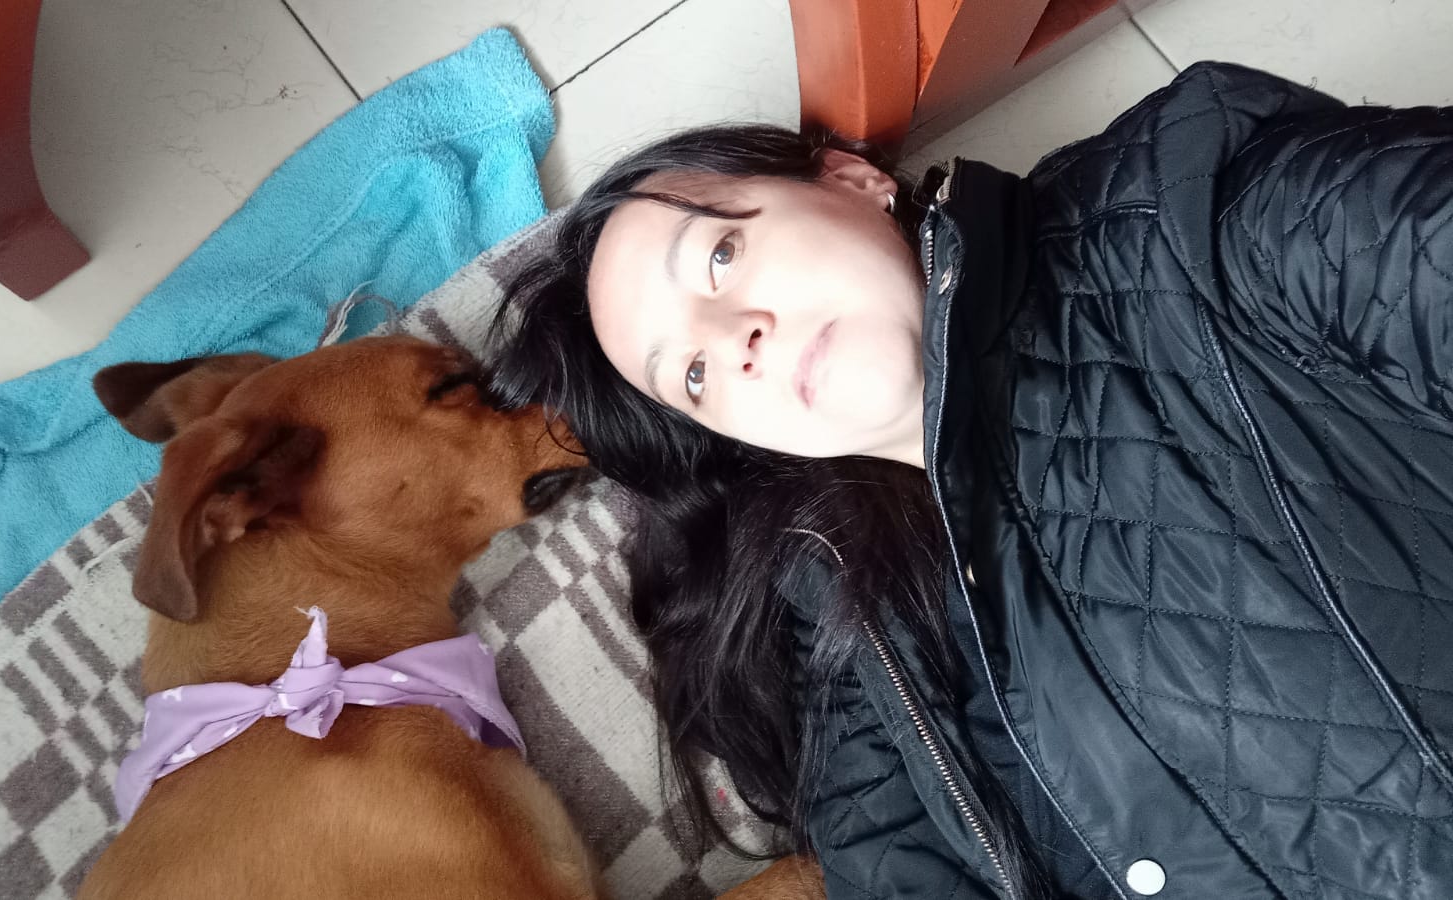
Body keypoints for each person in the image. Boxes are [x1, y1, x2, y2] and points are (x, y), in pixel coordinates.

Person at [487, 60, 1453, 900]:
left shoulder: (1185, 219)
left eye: (721, 254)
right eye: (692, 377)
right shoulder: (850, 648)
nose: (735, 341)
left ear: (851, 178)